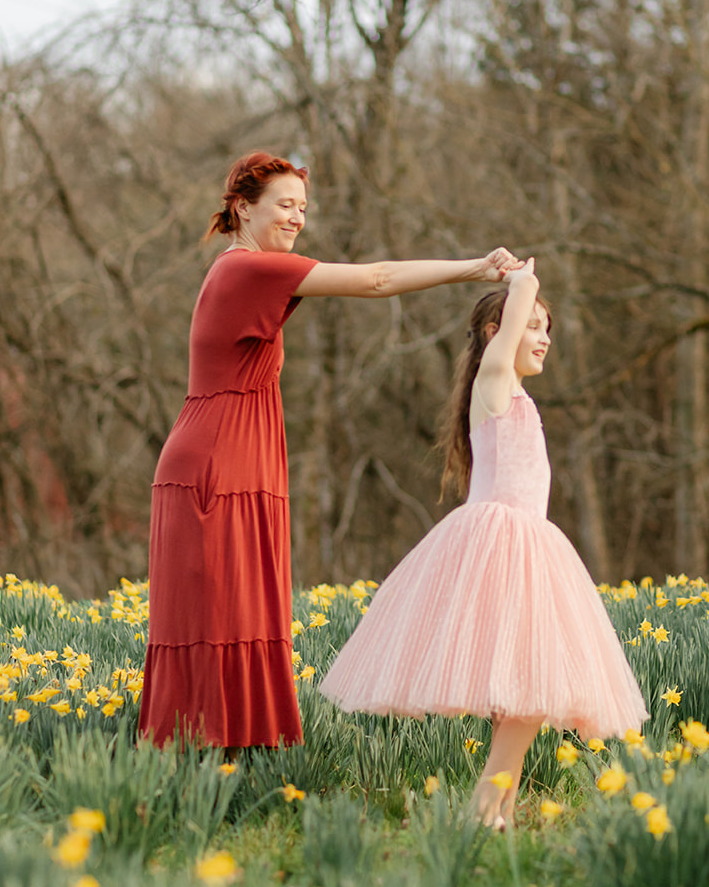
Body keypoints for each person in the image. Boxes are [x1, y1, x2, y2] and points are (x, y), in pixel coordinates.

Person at [138, 150, 520, 750]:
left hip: (234, 452)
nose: (297, 218)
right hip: (218, 464)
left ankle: (231, 758)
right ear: (243, 208)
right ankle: (199, 758)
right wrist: (474, 269)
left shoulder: (246, 270)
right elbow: (376, 280)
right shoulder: (244, 270)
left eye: (303, 208)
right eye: (284, 205)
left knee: (240, 613)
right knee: (218, 615)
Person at [319, 259, 648, 826]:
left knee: (523, 693)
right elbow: (514, 310)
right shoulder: (493, 383)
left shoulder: (516, 395)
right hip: (501, 548)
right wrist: (522, 279)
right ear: (497, 334)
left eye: (548, 328)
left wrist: (527, 296)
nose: (543, 337)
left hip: (527, 548)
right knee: (529, 697)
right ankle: (481, 811)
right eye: (533, 325)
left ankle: (499, 813)